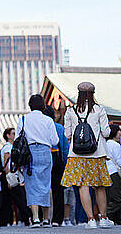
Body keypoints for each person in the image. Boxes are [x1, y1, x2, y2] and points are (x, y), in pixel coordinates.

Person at [61, 81, 113, 229]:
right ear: (92, 94)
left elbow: (67, 133)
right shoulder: (99, 109)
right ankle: (103, 218)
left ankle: (90, 220)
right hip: (96, 153)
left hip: (77, 155)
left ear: (79, 94)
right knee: (99, 186)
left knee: (83, 186)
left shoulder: (71, 111)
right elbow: (106, 132)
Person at [14, 95, 58, 228]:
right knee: (45, 184)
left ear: (30, 105)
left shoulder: (23, 119)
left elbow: (17, 138)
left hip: (29, 153)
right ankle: (46, 219)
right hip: (45, 152)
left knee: (31, 185)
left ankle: (35, 219)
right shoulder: (48, 120)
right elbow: (55, 141)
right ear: (43, 105)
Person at [43, 105, 69, 227]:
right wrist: (65, 164)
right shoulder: (59, 127)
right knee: (58, 191)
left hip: (42, 158)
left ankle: (42, 218)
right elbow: (65, 148)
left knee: (42, 188)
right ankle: (57, 219)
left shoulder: (40, 127)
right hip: (57, 159)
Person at [0, 128, 30, 227]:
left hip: (8, 175)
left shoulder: (9, 147)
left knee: (6, 200)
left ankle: (4, 221)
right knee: (20, 198)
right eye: (13, 133)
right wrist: (9, 178)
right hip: (10, 176)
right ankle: (26, 219)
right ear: (8, 135)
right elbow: (6, 163)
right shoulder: (8, 147)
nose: (14, 135)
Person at [105, 124, 121, 225]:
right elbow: (119, 161)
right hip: (114, 173)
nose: (120, 133)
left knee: (108, 197)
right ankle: (108, 215)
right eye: (118, 131)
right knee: (118, 198)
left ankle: (110, 217)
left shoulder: (105, 143)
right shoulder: (116, 145)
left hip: (105, 173)